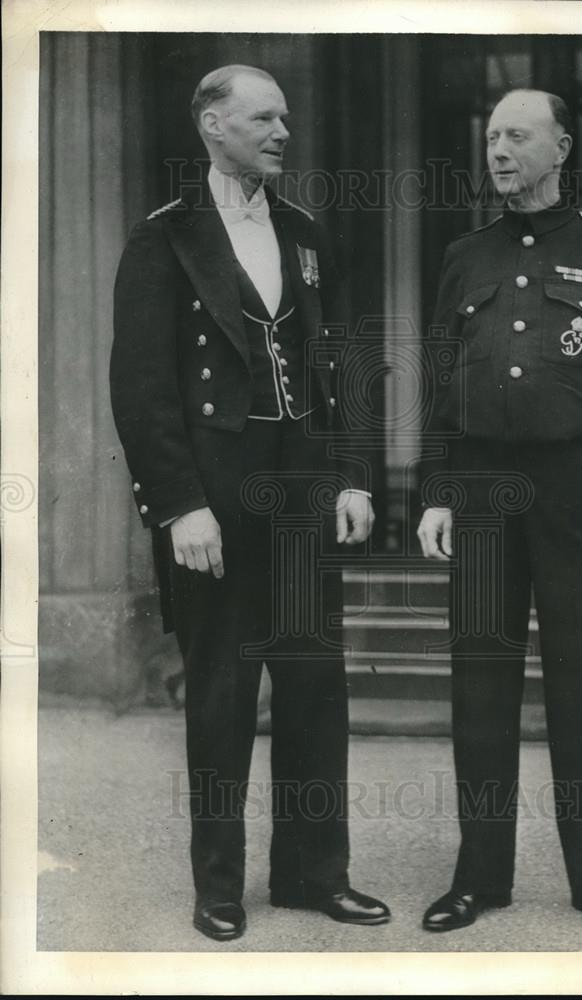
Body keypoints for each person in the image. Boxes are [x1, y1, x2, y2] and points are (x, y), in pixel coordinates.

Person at [111, 64, 390, 941]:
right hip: (216, 500)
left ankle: (314, 874)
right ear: (212, 125)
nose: (282, 133)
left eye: (285, 119)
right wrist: (178, 504)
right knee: (224, 694)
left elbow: (341, 364)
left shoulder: (305, 231)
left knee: (315, 689)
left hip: (304, 489)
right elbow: (141, 387)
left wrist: (352, 474)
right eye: (263, 119)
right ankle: (219, 886)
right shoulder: (163, 239)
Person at [416, 89, 582, 938]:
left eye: (517, 136)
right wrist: (434, 491)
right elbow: (443, 382)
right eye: (491, 135)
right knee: (479, 685)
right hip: (484, 488)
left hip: (581, 487)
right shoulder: (464, 254)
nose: (498, 149)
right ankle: (477, 877)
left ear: (560, 147)